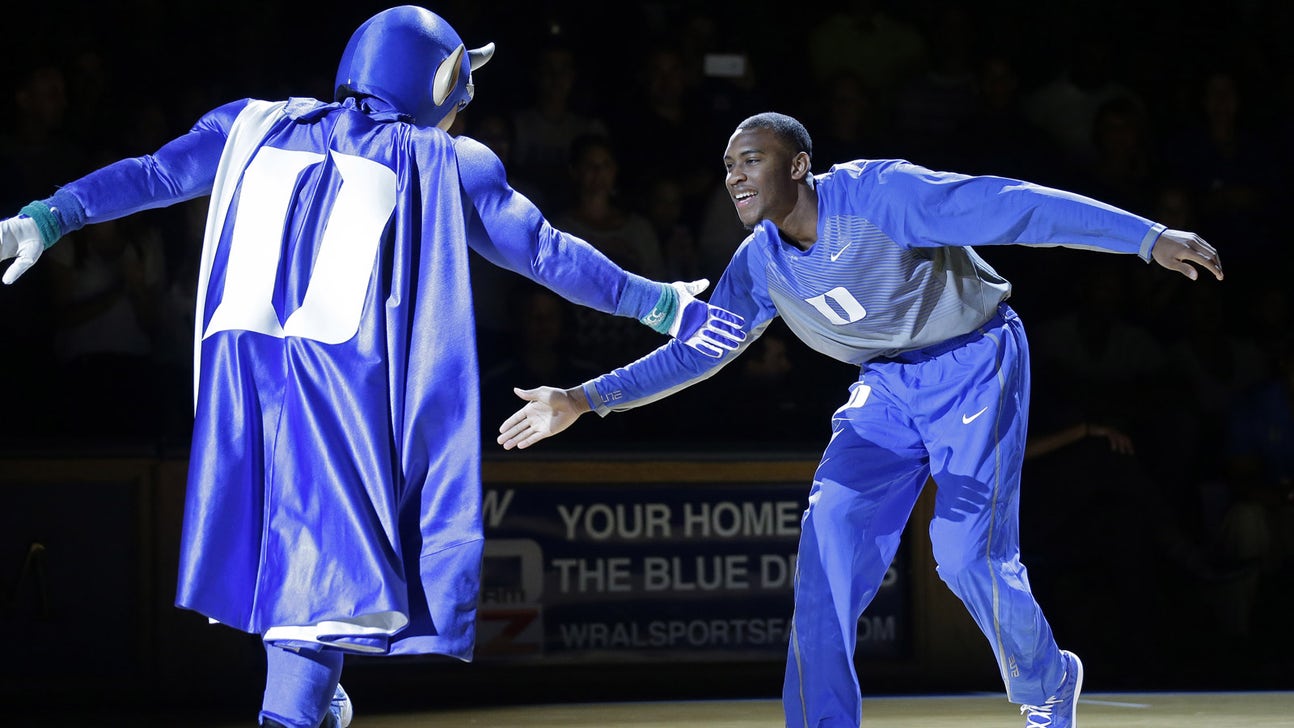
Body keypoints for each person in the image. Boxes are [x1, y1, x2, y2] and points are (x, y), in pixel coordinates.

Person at [0, 7, 744, 728]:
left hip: (245, 396)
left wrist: (51, 214)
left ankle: (310, 703)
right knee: (319, 588)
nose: (463, 112)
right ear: (435, 81)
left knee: (301, 582)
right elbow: (545, 250)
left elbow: (154, 175)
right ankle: (298, 710)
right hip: (343, 401)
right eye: (460, 93)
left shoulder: (253, 124)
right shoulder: (448, 160)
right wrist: (663, 306)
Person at [497, 111, 1224, 728]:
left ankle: (1045, 684)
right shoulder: (757, 266)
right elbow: (697, 353)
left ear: (800, 165)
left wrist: (1143, 237)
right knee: (828, 546)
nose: (735, 177)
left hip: (974, 357)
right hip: (887, 388)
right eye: (726, 167)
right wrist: (582, 399)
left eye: (751, 159)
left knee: (966, 556)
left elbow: (1012, 206)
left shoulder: (882, 195)